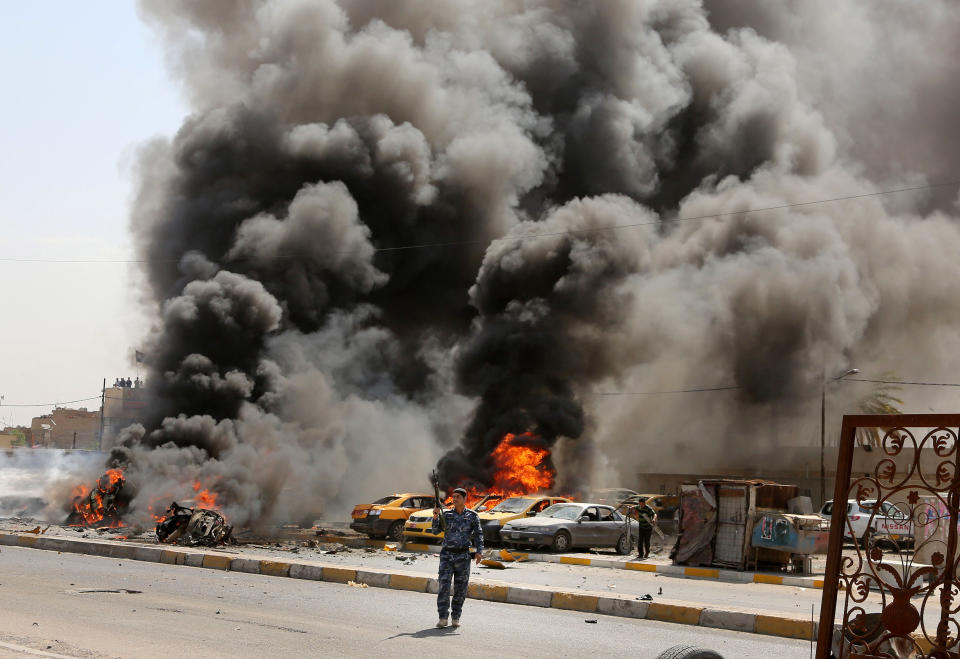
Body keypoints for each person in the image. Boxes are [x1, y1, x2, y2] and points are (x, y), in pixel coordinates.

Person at [431, 487, 483, 628]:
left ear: (465, 499)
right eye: (453, 497)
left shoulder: (472, 516)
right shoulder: (446, 515)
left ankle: (456, 617)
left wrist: (479, 551)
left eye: (457, 497)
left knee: (461, 589)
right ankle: (443, 618)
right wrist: (435, 516)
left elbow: (478, 534)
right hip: (447, 555)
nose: (454, 499)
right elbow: (435, 531)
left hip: (463, 556)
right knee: (444, 588)